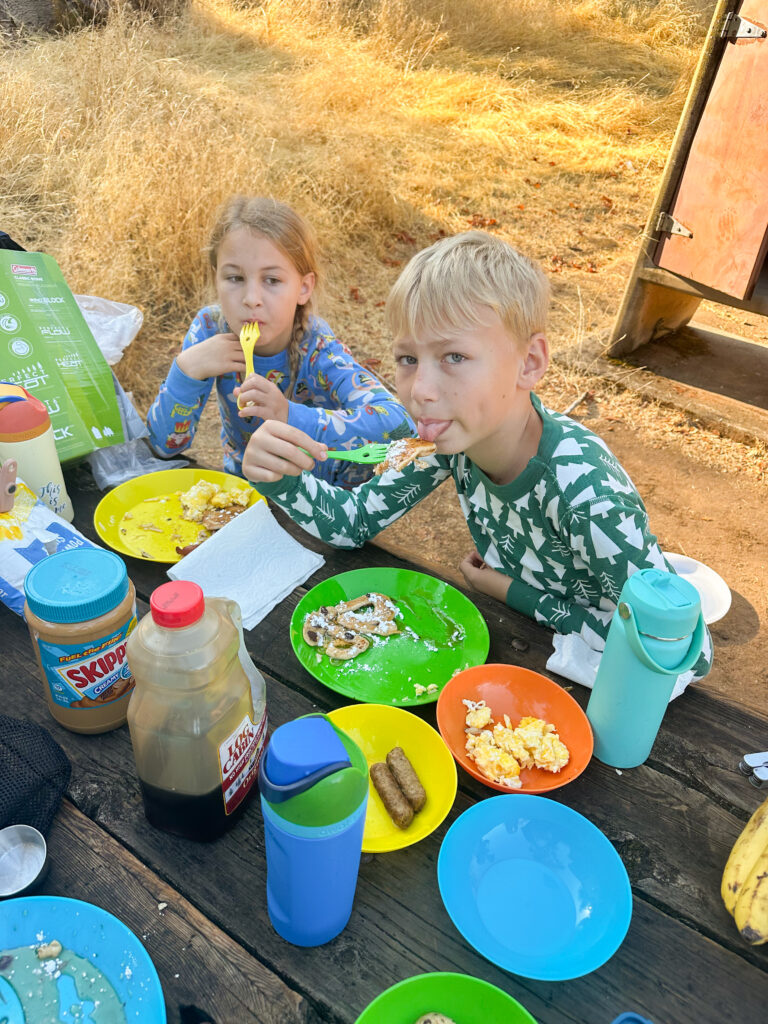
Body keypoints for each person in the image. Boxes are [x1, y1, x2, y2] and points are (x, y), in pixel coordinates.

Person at [241, 230, 712, 678]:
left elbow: (682, 652)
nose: (420, 390)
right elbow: (354, 522)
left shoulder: (586, 496)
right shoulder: (450, 441)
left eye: (454, 357)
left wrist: (514, 593)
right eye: (408, 359)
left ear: (529, 363)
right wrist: (283, 478)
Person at [146, 195, 415, 486]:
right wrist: (186, 371)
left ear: (303, 288)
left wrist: (288, 414)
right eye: (235, 278)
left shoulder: (318, 349)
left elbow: (399, 424)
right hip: (244, 489)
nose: (251, 299)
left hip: (318, 495)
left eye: (272, 280)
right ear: (216, 280)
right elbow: (164, 446)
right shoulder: (210, 330)